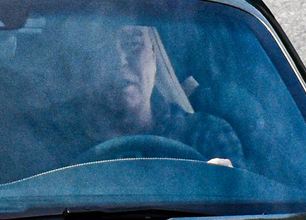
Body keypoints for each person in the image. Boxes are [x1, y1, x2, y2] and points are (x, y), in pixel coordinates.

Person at [50, 22, 243, 168]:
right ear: (84, 66)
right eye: (102, 48)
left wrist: (224, 186)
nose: (120, 61)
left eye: (132, 43)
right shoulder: (56, 141)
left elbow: (247, 213)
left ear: (154, 55)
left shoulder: (206, 136)